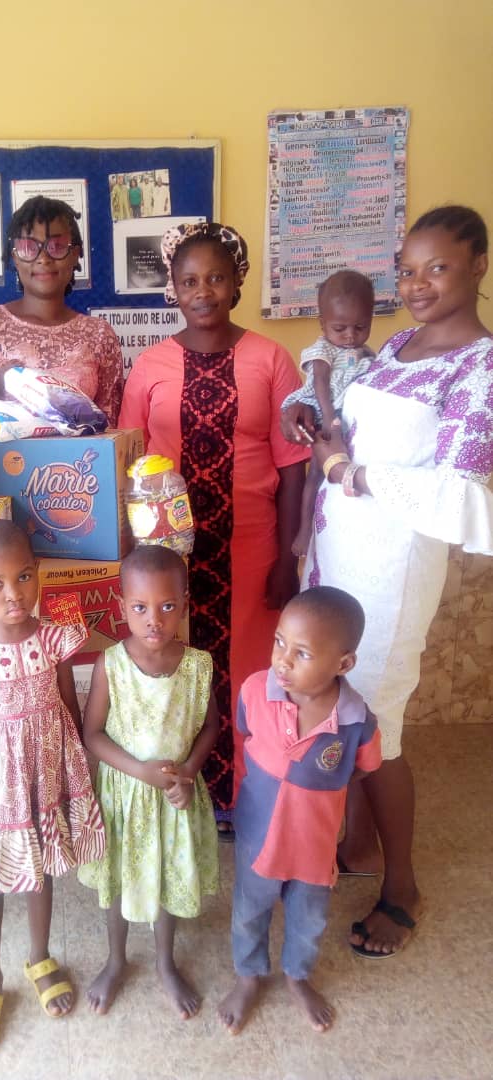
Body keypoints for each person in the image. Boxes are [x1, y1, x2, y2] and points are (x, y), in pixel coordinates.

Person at [283, 205, 493, 957]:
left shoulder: (479, 367)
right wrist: (316, 423)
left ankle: (401, 886)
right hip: (339, 554)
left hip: (392, 571)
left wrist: (349, 470)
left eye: (437, 268)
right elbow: (350, 418)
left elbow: (460, 493)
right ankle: (357, 842)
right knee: (343, 708)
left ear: (478, 267)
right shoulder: (399, 344)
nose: (417, 284)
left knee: (380, 727)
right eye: (406, 270)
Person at [118, 222, 309, 833]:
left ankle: (246, 797)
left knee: (250, 671)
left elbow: (294, 465)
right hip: (168, 553)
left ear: (236, 284)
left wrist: (289, 555)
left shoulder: (271, 359)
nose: (203, 292)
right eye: (190, 281)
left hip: (250, 547)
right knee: (177, 670)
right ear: (173, 289)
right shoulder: (151, 364)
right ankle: (182, 794)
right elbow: (126, 460)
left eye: (216, 278)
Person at [0, 520, 105, 1054]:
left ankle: (39, 955)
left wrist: (78, 777)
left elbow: (68, 708)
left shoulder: (54, 638)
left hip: (44, 782)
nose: (14, 593)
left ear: (38, 572)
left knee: (40, 872)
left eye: (24, 576)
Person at [219, 587, 381, 1035]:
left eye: (302, 653)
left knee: (309, 918)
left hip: (313, 846)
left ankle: (297, 976)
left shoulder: (356, 721)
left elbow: (364, 767)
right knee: (249, 910)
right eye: (279, 642)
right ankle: (248, 975)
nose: (283, 660)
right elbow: (246, 729)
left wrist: (318, 794)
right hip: (258, 836)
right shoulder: (256, 691)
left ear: (343, 664)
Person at [78, 545, 219, 1019]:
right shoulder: (111, 664)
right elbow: (92, 734)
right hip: (124, 797)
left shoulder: (197, 665)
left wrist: (190, 771)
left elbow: (211, 726)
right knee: (120, 878)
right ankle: (116, 960)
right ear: (122, 607)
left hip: (176, 798)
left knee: (168, 877)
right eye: (140, 607)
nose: (153, 620)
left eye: (167, 606)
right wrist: (138, 770)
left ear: (185, 604)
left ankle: (164, 962)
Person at [0, 196, 124, 423]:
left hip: (79, 448)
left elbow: (110, 425)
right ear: (15, 257)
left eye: (57, 246)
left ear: (75, 254)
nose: (43, 258)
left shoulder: (99, 335)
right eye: (28, 247)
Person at [282, 270, 376, 556]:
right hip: (326, 418)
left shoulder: (367, 354)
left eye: (360, 327)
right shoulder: (323, 350)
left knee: (344, 479)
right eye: (340, 328)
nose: (350, 336)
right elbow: (321, 385)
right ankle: (304, 532)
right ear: (323, 324)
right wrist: (330, 420)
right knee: (315, 476)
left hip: (350, 421)